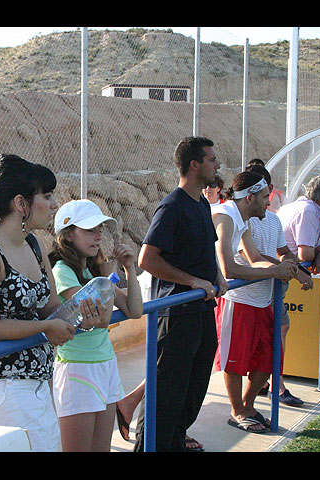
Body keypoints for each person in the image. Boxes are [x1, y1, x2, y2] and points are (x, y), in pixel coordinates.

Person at [0, 154, 76, 452]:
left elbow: (51, 306)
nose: (54, 204)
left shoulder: (34, 244)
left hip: (34, 385)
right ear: (21, 203)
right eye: (47, 196)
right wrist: (46, 327)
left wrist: (84, 310)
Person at [135, 136, 229, 452]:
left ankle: (175, 443)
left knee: (192, 390)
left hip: (201, 311)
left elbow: (207, 249)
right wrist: (191, 281)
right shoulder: (172, 206)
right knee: (166, 395)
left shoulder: (201, 204)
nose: (217, 164)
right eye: (212, 159)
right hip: (176, 315)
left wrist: (217, 276)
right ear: (194, 165)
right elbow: (147, 259)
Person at [48, 199, 143, 451]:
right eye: (90, 230)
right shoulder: (62, 271)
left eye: (100, 229)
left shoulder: (93, 272)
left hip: (105, 364)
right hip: (78, 368)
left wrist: (129, 268)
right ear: (68, 235)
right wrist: (107, 278)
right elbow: (100, 319)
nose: (98, 236)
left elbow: (135, 310)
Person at [212, 171, 298, 433]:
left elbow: (256, 259)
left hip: (259, 301)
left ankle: (247, 406)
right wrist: (275, 271)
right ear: (249, 197)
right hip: (233, 301)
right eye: (264, 197)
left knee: (269, 356)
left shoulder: (242, 219)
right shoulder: (225, 215)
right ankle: (237, 410)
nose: (268, 202)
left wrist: (283, 268)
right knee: (233, 360)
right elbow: (228, 269)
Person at [245, 165, 313, 407]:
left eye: (266, 192)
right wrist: (293, 270)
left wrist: (293, 266)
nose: (266, 198)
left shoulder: (273, 219)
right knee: (238, 357)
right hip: (244, 297)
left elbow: (285, 252)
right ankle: (244, 407)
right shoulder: (240, 220)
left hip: (270, 292)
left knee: (278, 333)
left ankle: (273, 386)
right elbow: (253, 257)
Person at [275, 174, 320, 404]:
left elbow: (316, 249)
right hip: (276, 277)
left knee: (278, 328)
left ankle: (268, 381)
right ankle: (276, 386)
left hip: (282, 276)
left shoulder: (312, 210)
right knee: (278, 329)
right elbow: (306, 253)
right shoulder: (308, 211)